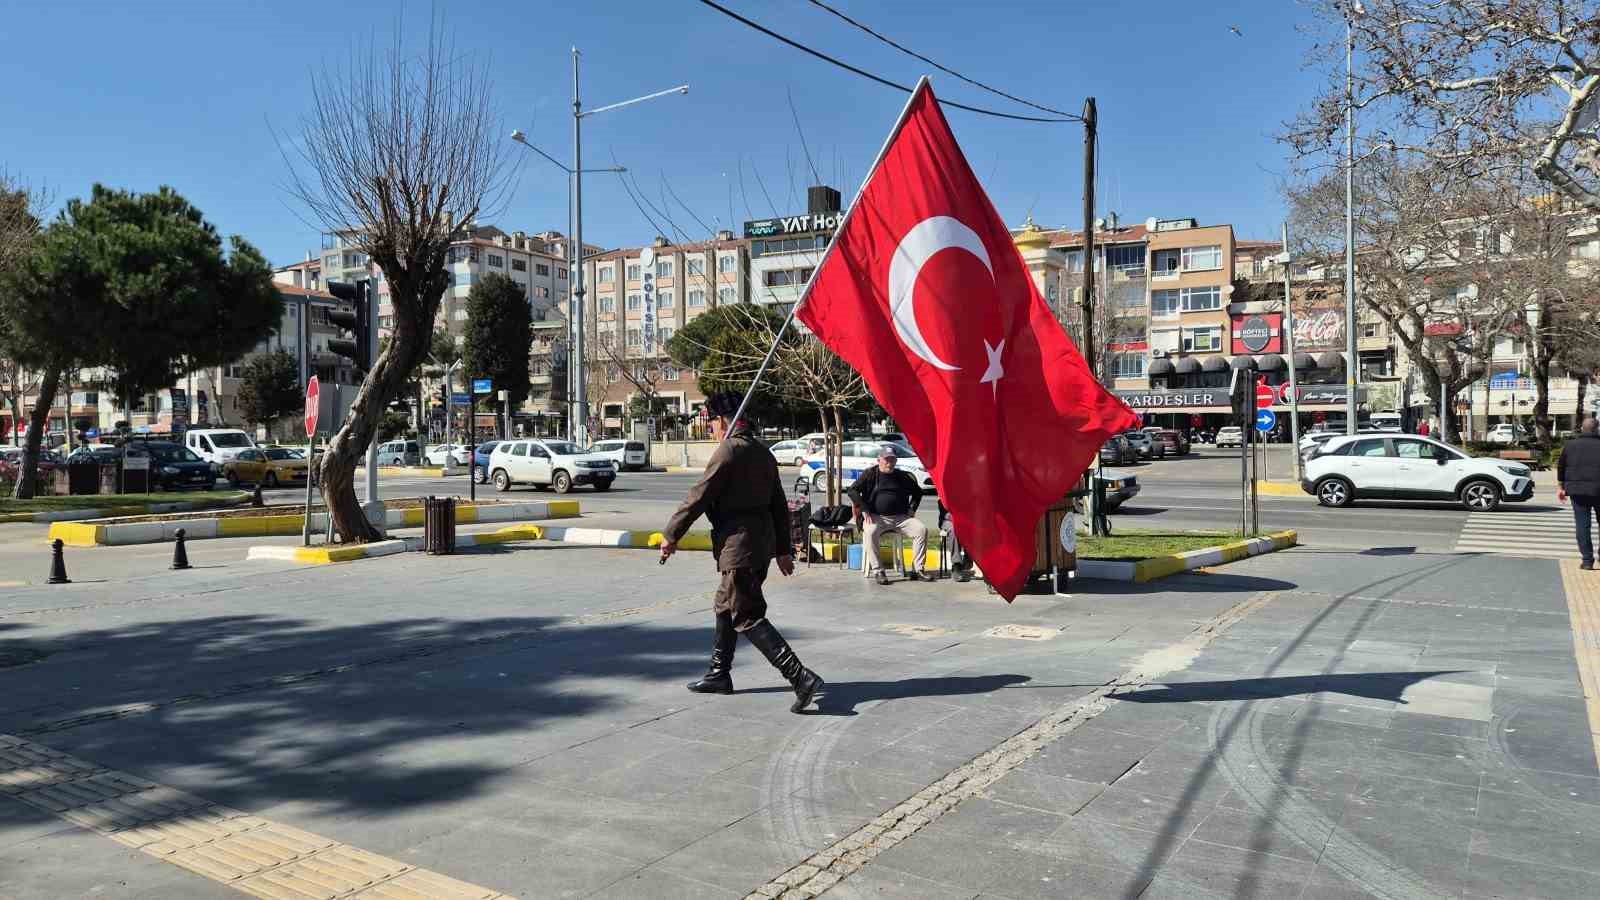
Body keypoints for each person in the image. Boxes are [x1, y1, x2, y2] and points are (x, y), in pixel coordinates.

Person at [660, 392, 824, 712]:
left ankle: (800, 677)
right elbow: (779, 504)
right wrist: (782, 549)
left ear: (724, 420)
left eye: (711, 422)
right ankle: (719, 674)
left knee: (745, 614)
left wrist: (671, 535)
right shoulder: (762, 452)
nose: (710, 430)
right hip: (758, 545)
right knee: (725, 604)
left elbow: (699, 497)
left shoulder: (729, 451)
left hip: (740, 546)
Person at [848, 446, 932, 585]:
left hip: (901, 517)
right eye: (886, 459)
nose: (889, 463)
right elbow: (852, 491)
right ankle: (878, 571)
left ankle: (918, 569)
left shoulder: (902, 476)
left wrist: (912, 509)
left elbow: (918, 492)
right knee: (869, 532)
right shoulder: (870, 474)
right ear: (879, 460)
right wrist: (863, 509)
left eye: (892, 460)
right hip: (876, 517)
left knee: (921, 530)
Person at [1558, 417, 1600, 570]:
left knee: (1582, 525)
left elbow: (1561, 466)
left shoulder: (1571, 445)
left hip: (1577, 491)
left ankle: (1587, 561)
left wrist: (1561, 486)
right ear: (1597, 429)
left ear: (1582, 429)